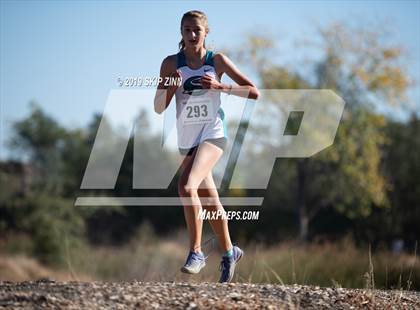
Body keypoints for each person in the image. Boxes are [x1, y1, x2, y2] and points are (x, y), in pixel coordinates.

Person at [154, 10, 259, 283]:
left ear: (206, 33)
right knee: (210, 202)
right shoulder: (170, 64)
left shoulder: (217, 61)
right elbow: (157, 108)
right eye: (186, 30)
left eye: (196, 30)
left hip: (213, 135)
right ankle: (229, 252)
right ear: (181, 32)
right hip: (187, 141)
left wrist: (220, 87)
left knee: (186, 186)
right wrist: (169, 87)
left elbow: (253, 91)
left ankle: (196, 252)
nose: (191, 35)